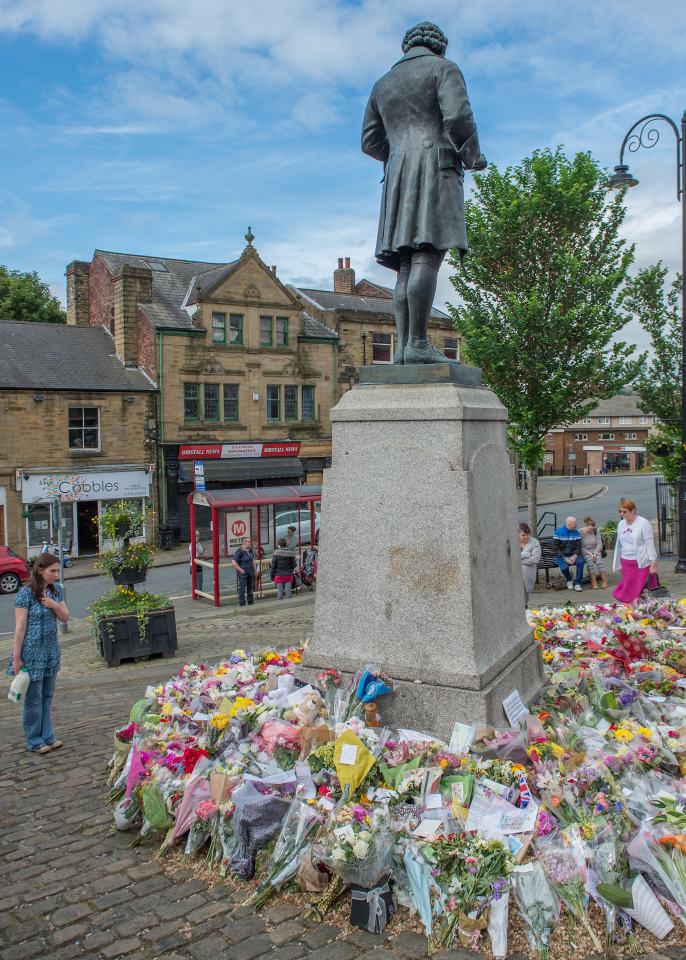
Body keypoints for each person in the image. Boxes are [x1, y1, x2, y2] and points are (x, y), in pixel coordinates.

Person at [362, 21, 486, 364]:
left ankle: (405, 348)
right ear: (439, 45)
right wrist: (472, 156)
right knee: (426, 255)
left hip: (398, 175)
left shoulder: (382, 84)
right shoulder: (444, 69)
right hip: (435, 168)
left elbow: (370, 142)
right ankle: (417, 344)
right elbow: (459, 118)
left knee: (406, 263)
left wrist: (401, 153)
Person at [9, 553, 69, 754]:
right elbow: (20, 628)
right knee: (34, 698)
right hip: (32, 653)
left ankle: (48, 735)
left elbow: (65, 617)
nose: (55, 574)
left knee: (48, 694)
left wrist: (53, 605)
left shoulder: (56, 591)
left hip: (51, 651)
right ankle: (34, 739)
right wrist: (16, 657)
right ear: (40, 570)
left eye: (57, 570)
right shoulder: (25, 594)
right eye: (52, 571)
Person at [612, 499, 658, 604]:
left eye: (625, 511)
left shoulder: (643, 523)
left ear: (633, 511)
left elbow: (649, 544)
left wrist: (653, 564)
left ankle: (642, 611)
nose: (622, 514)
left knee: (638, 590)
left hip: (640, 563)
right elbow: (619, 544)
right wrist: (619, 564)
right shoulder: (621, 524)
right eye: (620, 511)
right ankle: (632, 613)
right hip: (626, 562)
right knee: (627, 590)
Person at [553, 516, 585, 591]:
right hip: (561, 555)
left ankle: (578, 584)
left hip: (573, 554)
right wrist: (565, 558)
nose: (576, 525)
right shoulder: (558, 532)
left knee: (581, 561)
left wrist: (575, 555)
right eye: (575, 524)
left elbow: (579, 547)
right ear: (569, 524)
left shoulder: (576, 532)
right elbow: (556, 548)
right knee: (564, 568)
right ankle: (569, 579)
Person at [580, 515, 608, 589]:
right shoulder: (580, 532)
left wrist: (595, 553)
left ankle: (604, 581)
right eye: (590, 529)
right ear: (586, 526)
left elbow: (599, 544)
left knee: (599, 563)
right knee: (590, 564)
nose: (591, 531)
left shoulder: (595, 531)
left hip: (596, 550)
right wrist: (590, 554)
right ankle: (594, 583)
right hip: (586, 552)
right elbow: (580, 547)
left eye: (592, 529)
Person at [519, 522, 541, 607]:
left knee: (524, 570)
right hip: (514, 571)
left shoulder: (535, 542)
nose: (526, 537)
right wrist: (526, 555)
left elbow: (535, 559)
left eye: (527, 534)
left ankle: (525, 604)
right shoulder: (513, 541)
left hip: (528, 569)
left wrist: (519, 561)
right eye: (523, 535)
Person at [231, 537, 256, 607]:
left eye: (250, 541)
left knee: (250, 588)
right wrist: (240, 569)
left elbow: (252, 560)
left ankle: (251, 603)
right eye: (249, 541)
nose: (250, 543)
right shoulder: (240, 551)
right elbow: (233, 561)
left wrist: (254, 569)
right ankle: (242, 604)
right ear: (244, 542)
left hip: (250, 571)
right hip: (243, 573)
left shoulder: (250, 550)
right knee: (242, 589)